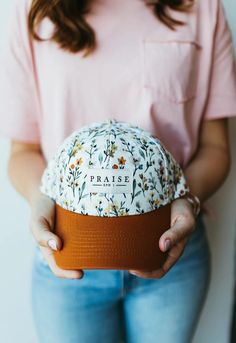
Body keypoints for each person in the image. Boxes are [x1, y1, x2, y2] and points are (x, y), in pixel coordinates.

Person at [0, 0, 236, 342]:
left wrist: (189, 198)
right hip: (69, 248)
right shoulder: (34, 10)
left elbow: (216, 148)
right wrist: (40, 201)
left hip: (170, 244)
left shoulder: (202, 7)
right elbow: (23, 151)